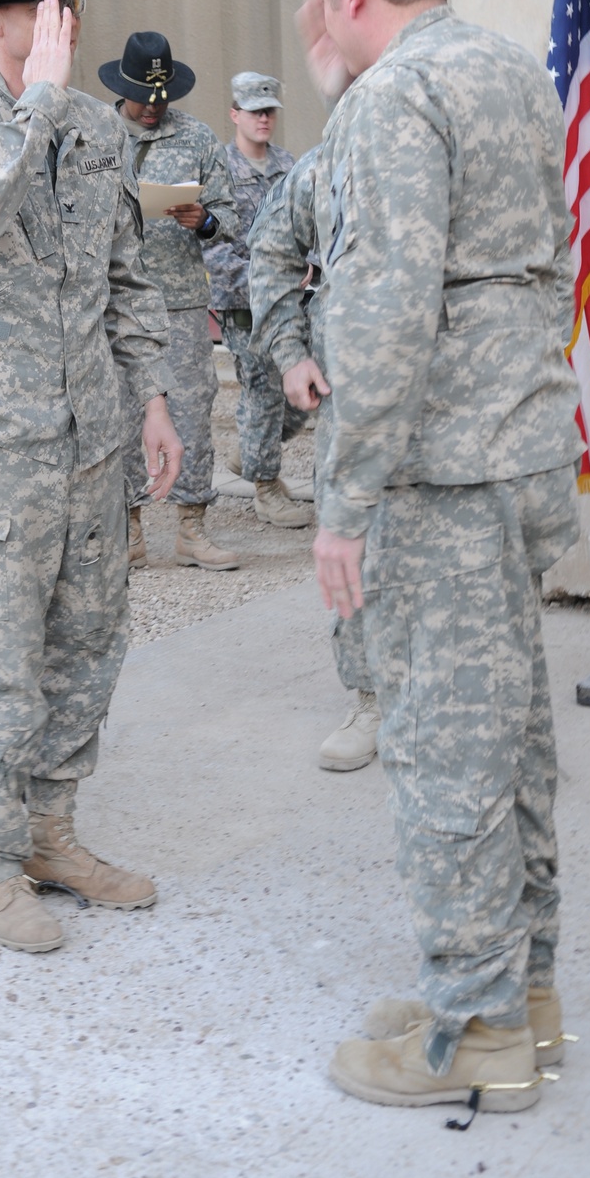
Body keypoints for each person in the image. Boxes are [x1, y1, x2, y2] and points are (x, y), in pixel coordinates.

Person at [259, 0, 581, 1113]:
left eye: (317, 0)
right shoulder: (508, 69)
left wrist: (340, 500)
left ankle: (475, 1031)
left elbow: (386, 314)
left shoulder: (394, 96)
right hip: (515, 452)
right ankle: (519, 993)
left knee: (446, 748)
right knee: (508, 740)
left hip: (438, 476)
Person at [0, 0, 182, 955]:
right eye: (41, 7)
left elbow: (124, 277)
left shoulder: (102, 133)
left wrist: (152, 400)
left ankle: (51, 834)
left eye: (73, 6)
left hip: (91, 445)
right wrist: (39, 102)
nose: (64, 24)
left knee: (86, 650)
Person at [250, 161, 382, 774]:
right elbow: (272, 248)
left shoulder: (453, 139)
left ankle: (456, 696)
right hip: (350, 401)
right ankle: (371, 697)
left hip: (450, 404)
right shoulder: (327, 165)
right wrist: (290, 353)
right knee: (353, 543)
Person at [99, 32, 240, 571]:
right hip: (115, 302)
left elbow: (229, 218)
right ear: (122, 87)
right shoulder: (96, 135)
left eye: (162, 97)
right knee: (121, 414)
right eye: (143, 96)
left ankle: (191, 527)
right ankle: (129, 529)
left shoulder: (199, 139)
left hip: (179, 302)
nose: (154, 107)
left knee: (190, 411)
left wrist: (203, 220)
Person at [202, 71, 311, 530]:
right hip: (241, 301)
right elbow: (214, 243)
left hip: (290, 301)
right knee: (264, 390)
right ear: (235, 115)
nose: (264, 119)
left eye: (269, 111)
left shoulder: (289, 166)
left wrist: (306, 270)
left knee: (299, 398)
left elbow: (306, 228)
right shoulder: (219, 170)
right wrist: (266, 280)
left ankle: (251, 451)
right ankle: (265, 487)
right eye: (254, 111)